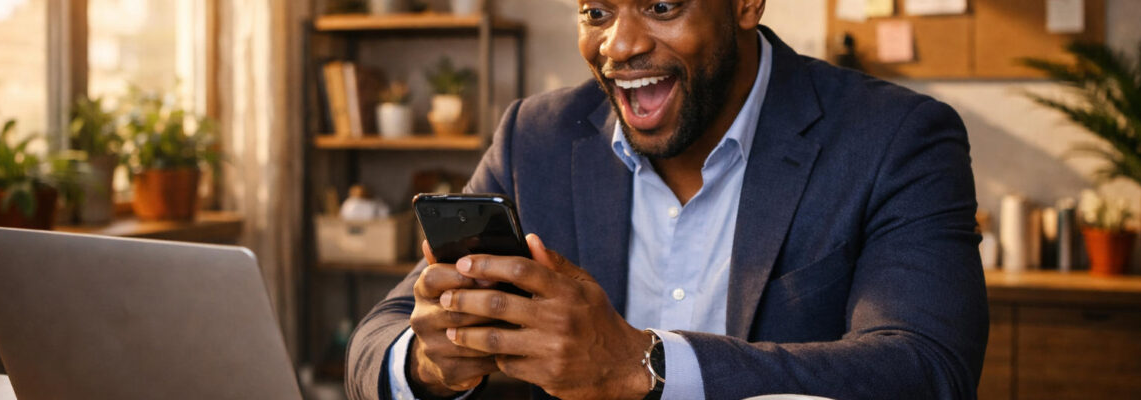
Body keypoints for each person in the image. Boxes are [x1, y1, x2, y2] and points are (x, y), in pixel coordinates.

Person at [347, 0, 988, 398]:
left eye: (661, 5)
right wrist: (431, 361)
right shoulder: (534, 137)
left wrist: (641, 365)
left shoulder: (895, 138)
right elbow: (377, 338)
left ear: (746, 4)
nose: (619, 46)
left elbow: (926, 369)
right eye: (596, 12)